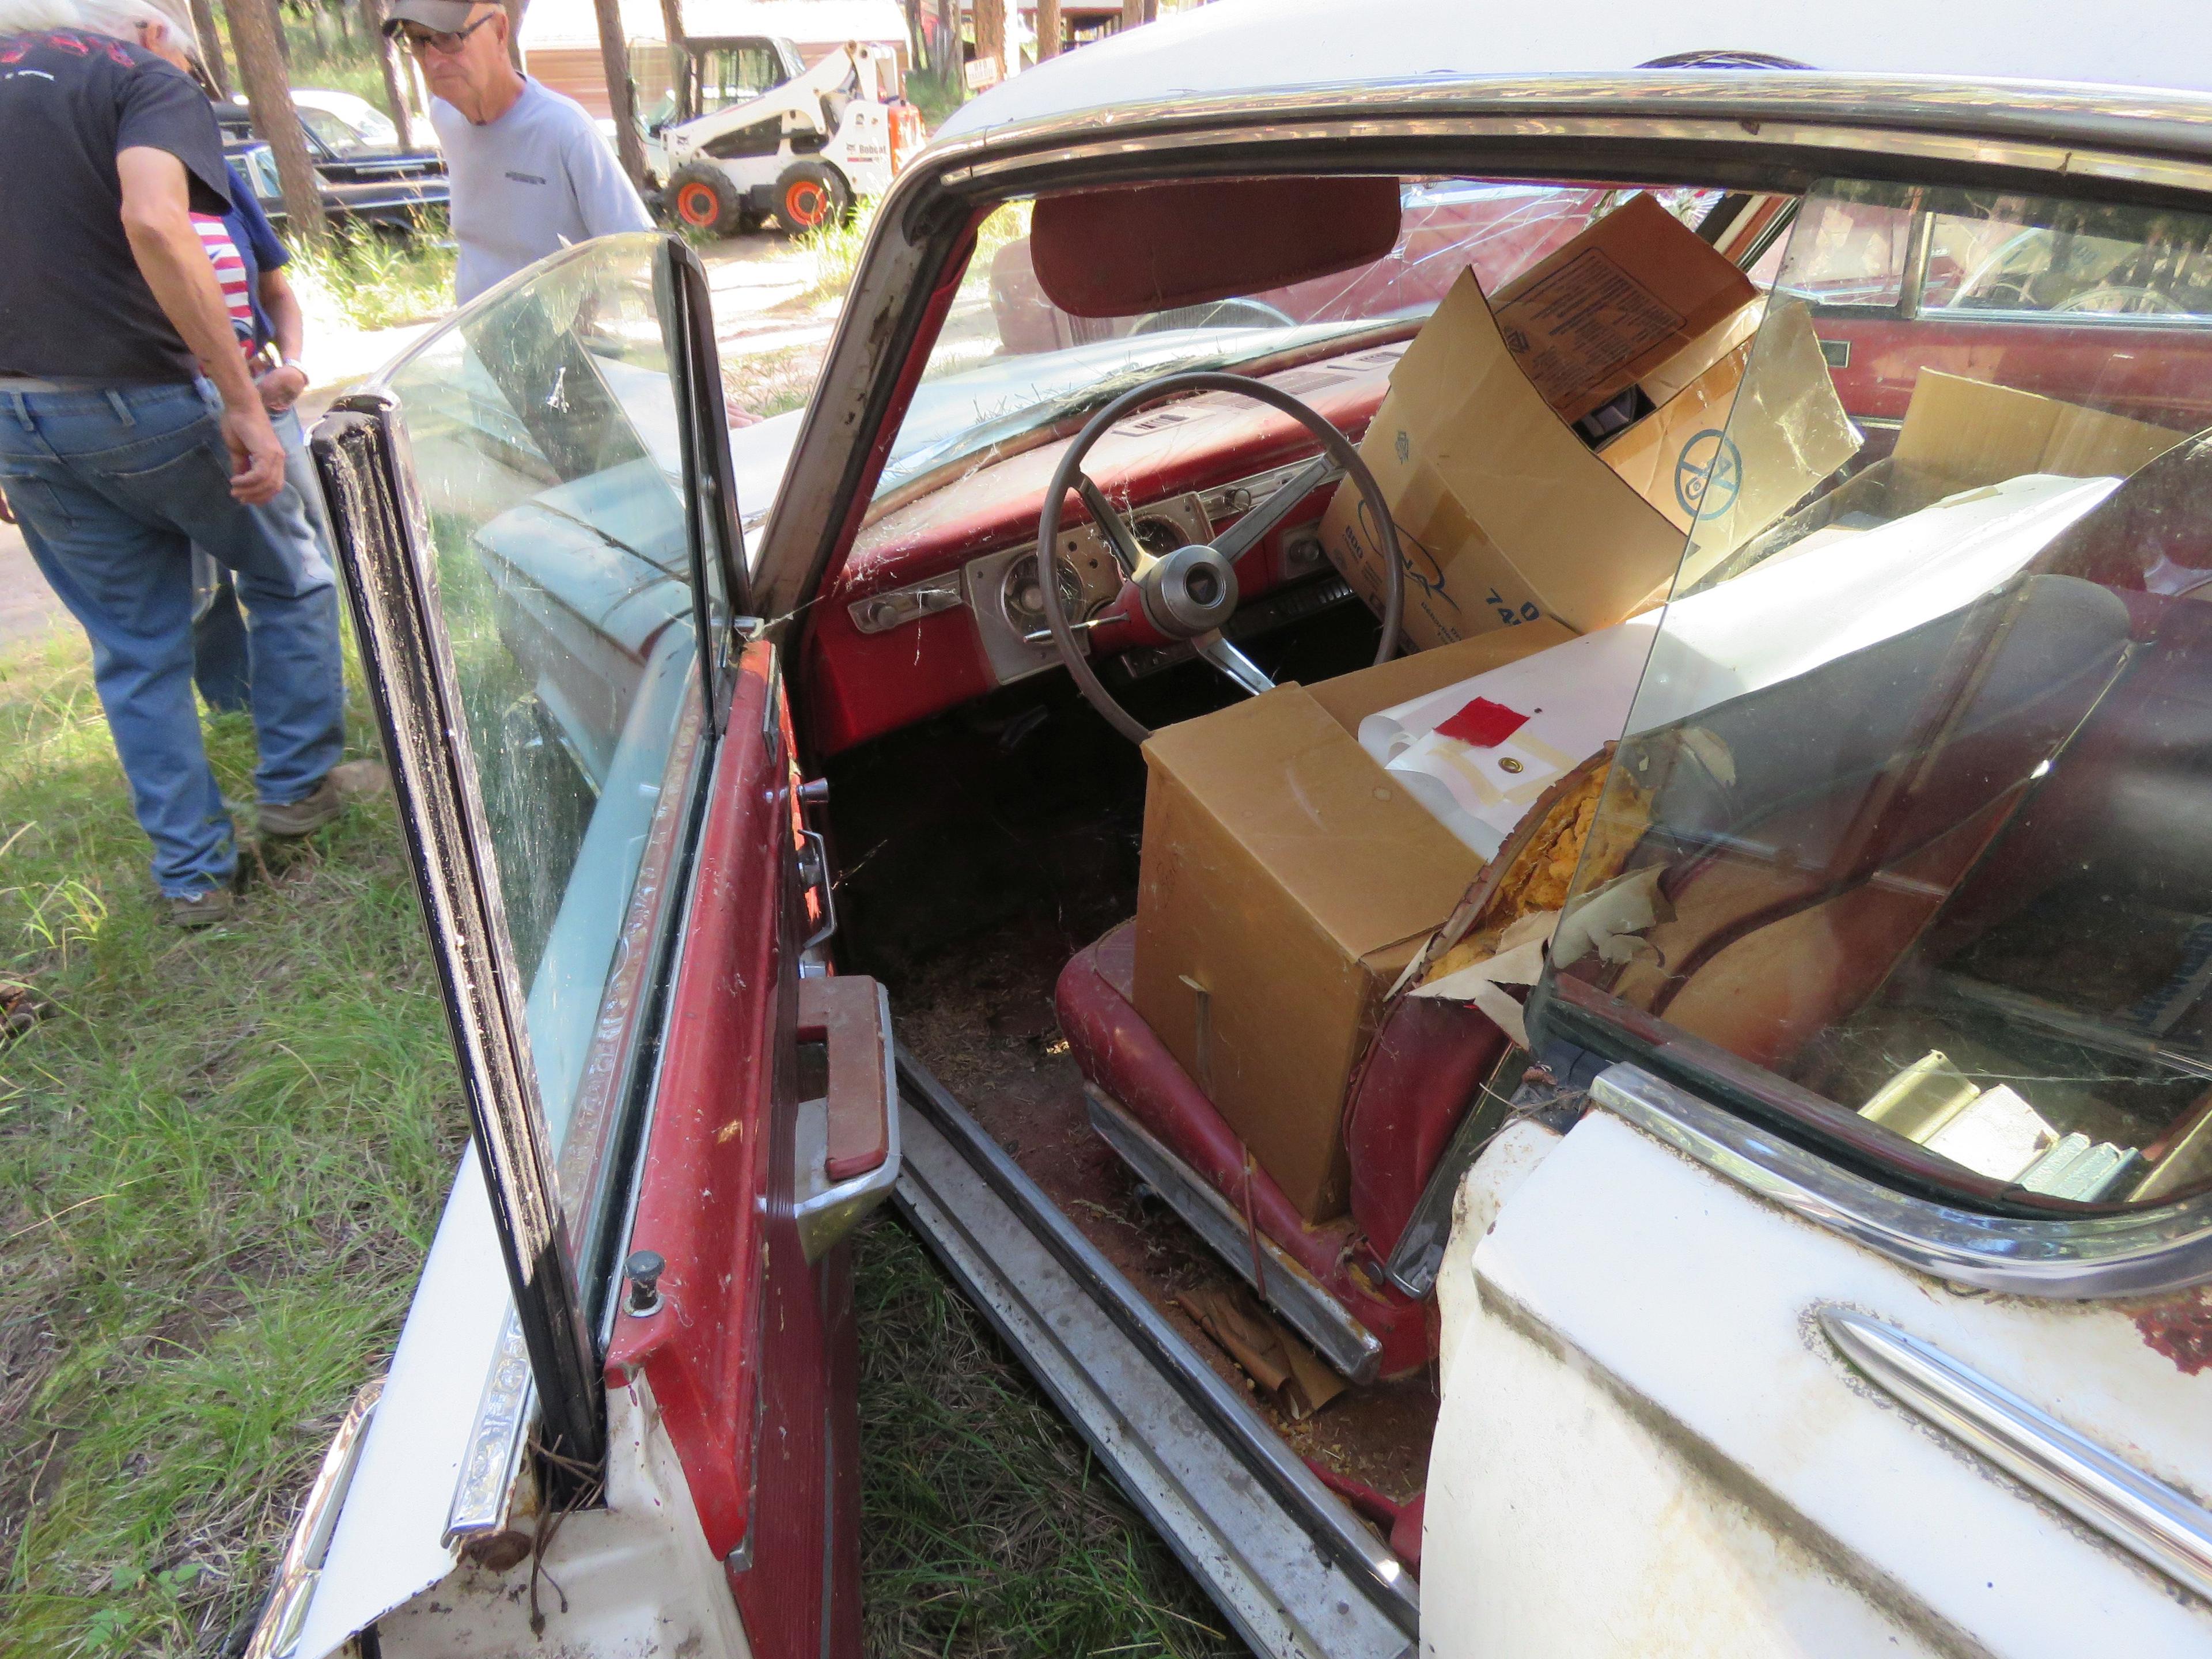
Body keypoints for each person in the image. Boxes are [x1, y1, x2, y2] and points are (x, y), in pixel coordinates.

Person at [0, 0, 350, 927]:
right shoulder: (137, 78)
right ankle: (297, 789)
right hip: (146, 395)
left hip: (18, 408)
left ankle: (194, 875)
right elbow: (159, 223)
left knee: (132, 648)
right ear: (156, 33)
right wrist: (242, 400)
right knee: (293, 574)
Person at [381, 0, 651, 304]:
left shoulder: (565, 130)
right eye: (418, 40)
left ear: (499, 30)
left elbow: (639, 252)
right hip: (481, 339)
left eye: (449, 37)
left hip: (565, 345)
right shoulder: (444, 115)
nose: (432, 60)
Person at [188, 154, 333, 713]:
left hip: (262, 395)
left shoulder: (216, 174)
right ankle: (236, 707)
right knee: (199, 580)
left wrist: (292, 363)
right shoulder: (89, 176)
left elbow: (276, 290)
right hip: (167, 406)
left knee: (304, 558)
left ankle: (315, 710)